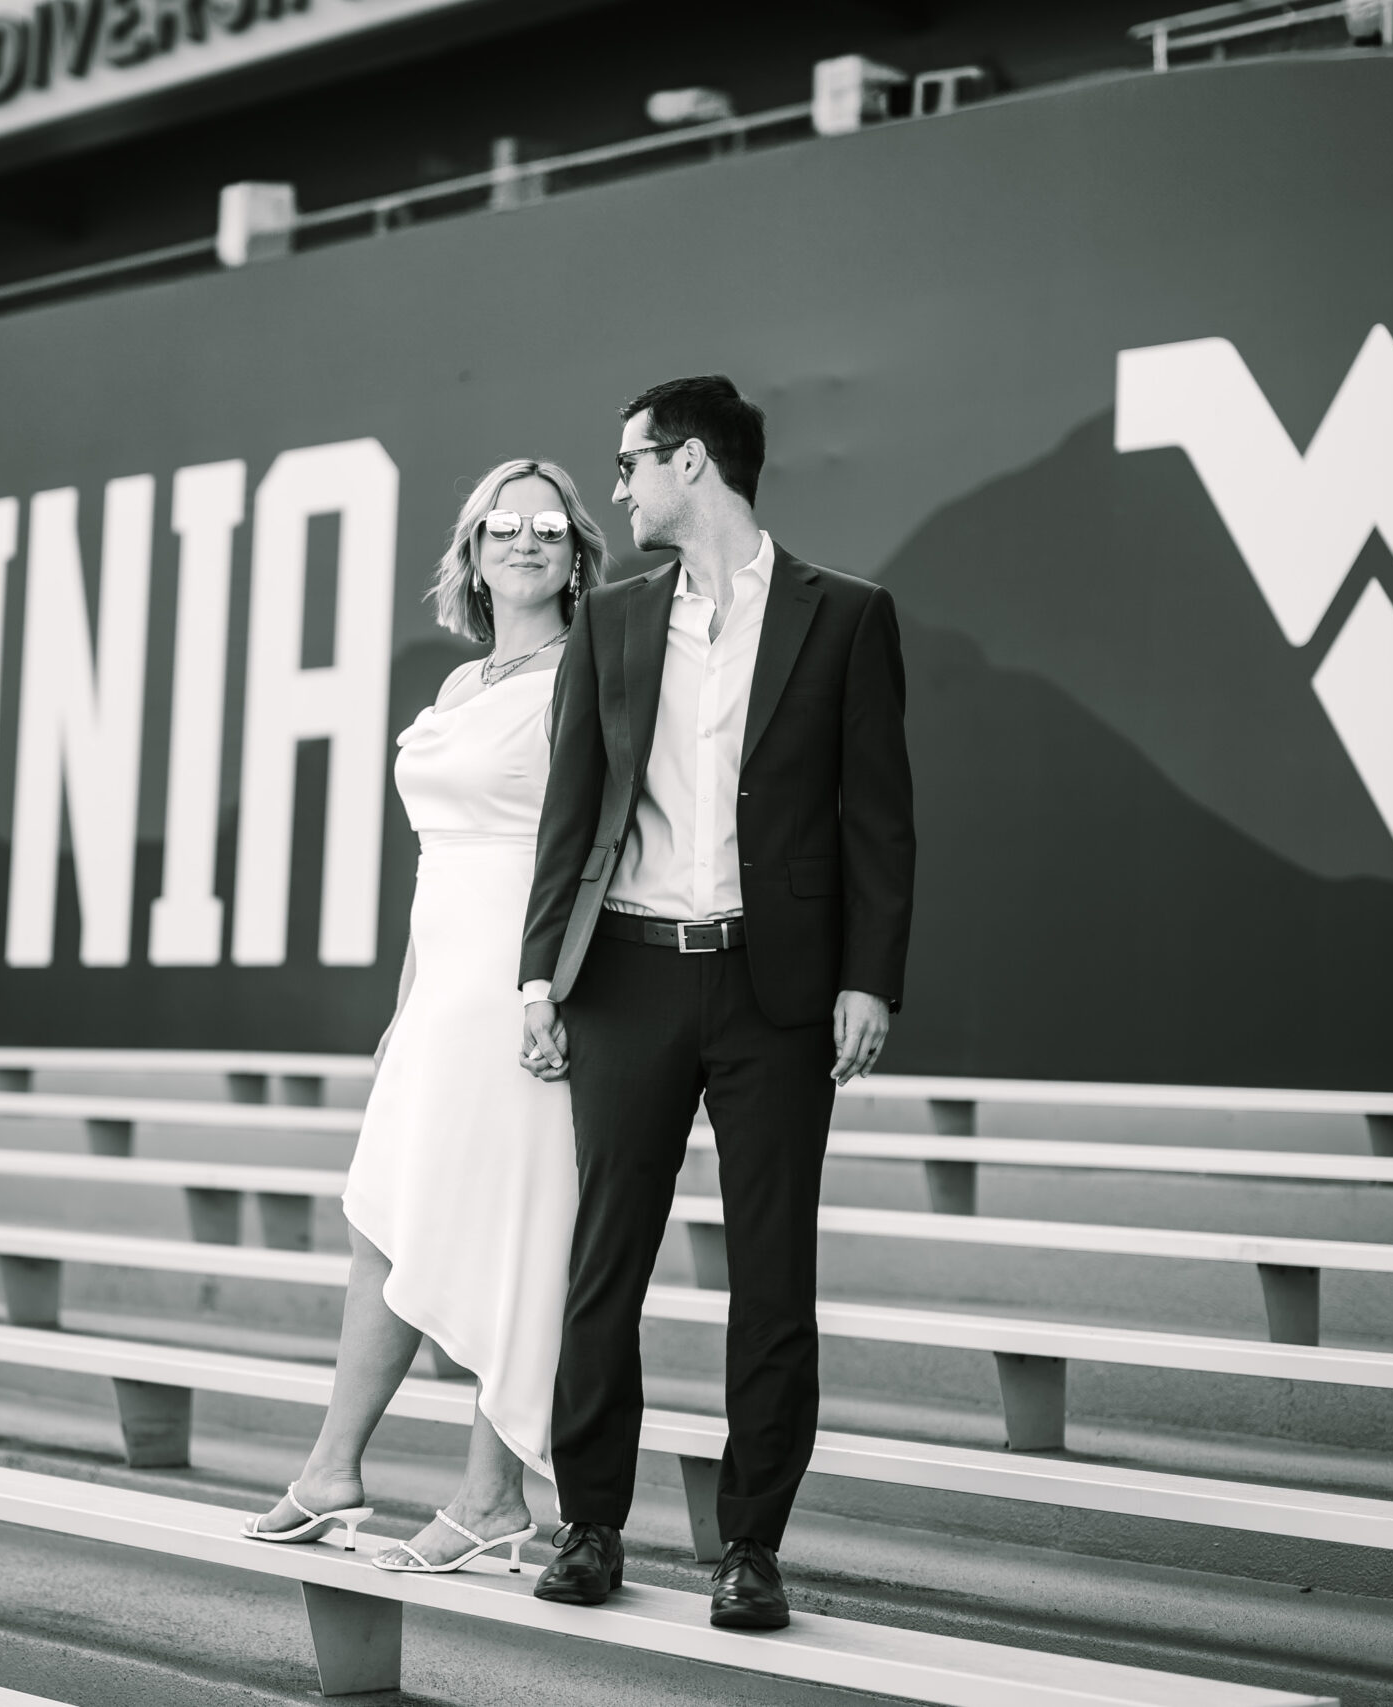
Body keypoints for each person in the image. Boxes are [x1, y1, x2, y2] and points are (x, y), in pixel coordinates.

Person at [519, 376, 915, 1628]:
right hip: (629, 976)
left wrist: (869, 977)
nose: (618, 487)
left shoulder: (846, 615)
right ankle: (589, 1525)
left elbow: (878, 819)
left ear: (692, 464)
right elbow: (570, 812)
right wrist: (542, 973)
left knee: (772, 1273)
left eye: (630, 463)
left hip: (777, 987)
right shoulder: (614, 622)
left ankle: (749, 1547)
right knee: (604, 1265)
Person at [243, 458, 607, 1573]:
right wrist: (402, 1009)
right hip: (439, 989)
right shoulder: (459, 689)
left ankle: (491, 1495)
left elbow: (589, 847)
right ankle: (332, 1471)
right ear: (475, 547)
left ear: (576, 552)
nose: (527, 538)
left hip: (523, 982)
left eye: (550, 525)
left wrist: (552, 989)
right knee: (384, 1222)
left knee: (507, 1234)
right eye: (506, 522)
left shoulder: (588, 670)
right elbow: (429, 871)